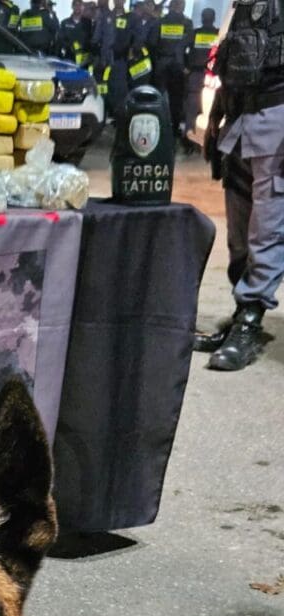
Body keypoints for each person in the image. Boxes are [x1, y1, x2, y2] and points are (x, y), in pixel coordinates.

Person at [196, 0, 284, 371]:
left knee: (266, 226)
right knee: (239, 228)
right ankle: (240, 312)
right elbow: (228, 56)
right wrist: (216, 115)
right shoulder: (243, 4)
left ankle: (250, 318)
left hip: (276, 116)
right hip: (239, 115)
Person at [147, 0, 193, 142]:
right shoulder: (187, 23)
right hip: (179, 65)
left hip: (162, 63)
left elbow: (152, 43)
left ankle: (158, 127)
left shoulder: (161, 22)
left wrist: (158, 58)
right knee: (177, 99)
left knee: (159, 96)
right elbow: (190, 44)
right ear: (181, 7)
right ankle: (173, 131)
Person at [184, 6, 218, 136]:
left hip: (195, 74)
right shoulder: (217, 34)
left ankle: (188, 139)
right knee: (210, 109)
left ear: (202, 18)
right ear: (214, 19)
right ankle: (206, 140)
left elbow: (183, 50)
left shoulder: (195, 33)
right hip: (211, 77)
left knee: (191, 109)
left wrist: (186, 66)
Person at [58, 0, 93, 65]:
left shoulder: (88, 23)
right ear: (72, 7)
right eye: (75, 5)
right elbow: (60, 39)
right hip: (69, 58)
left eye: (80, 5)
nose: (78, 7)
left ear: (83, 7)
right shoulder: (65, 23)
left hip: (84, 60)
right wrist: (70, 46)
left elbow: (91, 39)